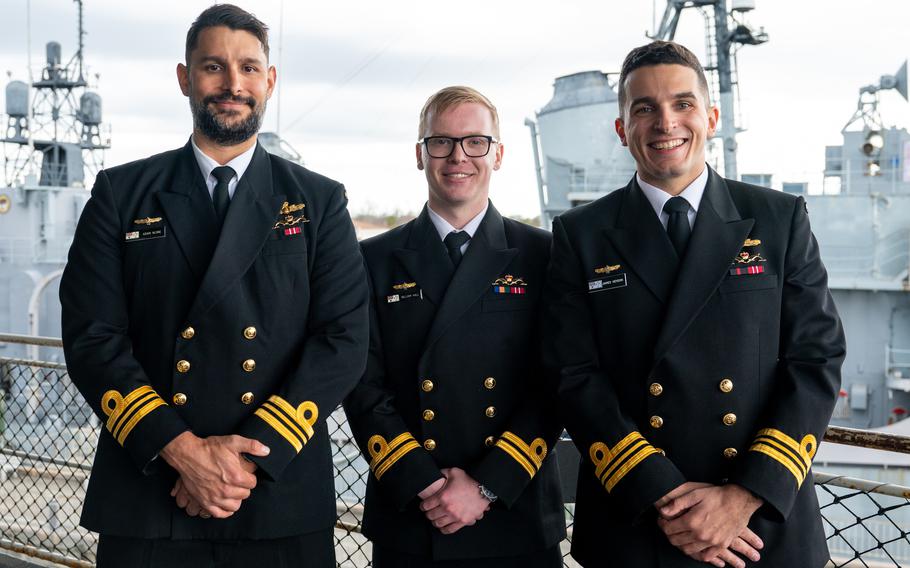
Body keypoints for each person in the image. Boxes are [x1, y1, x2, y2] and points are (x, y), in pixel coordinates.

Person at [59, 5, 368, 567]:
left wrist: (239, 463)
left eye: (249, 68)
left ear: (269, 82)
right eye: (213, 67)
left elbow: (343, 340)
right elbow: (92, 337)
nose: (233, 84)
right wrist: (183, 452)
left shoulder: (321, 201)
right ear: (185, 78)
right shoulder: (121, 194)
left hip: (275, 493)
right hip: (150, 488)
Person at [542, 40, 845, 568]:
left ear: (711, 115)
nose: (666, 123)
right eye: (644, 108)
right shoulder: (581, 234)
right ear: (622, 129)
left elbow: (815, 359)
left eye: (682, 104)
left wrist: (743, 497)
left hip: (758, 527)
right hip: (637, 519)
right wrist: (664, 496)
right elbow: (573, 373)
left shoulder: (778, 219)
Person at [343, 86, 565, 567]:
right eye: (440, 142)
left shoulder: (544, 257)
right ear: (420, 155)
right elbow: (362, 386)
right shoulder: (373, 260)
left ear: (498, 154)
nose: (458, 156)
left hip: (513, 511)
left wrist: (487, 485)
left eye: (475, 142)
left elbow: (556, 382)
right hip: (413, 513)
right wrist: (422, 481)